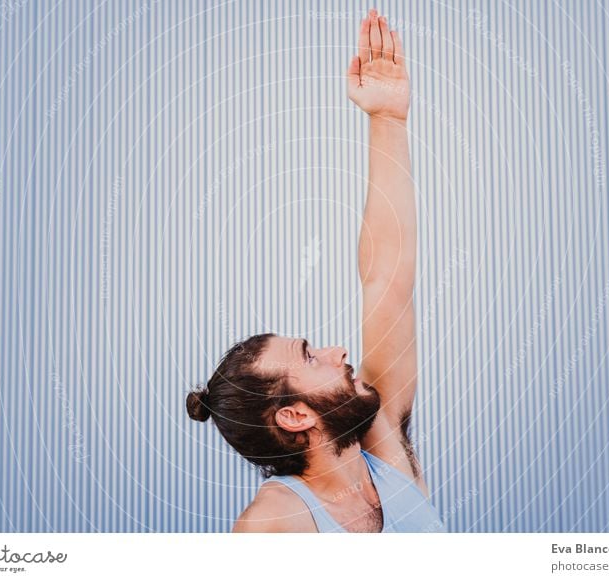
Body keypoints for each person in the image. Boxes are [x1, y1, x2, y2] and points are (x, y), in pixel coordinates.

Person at [186, 8, 444, 533]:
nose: (339, 351)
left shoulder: (383, 444)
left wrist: (387, 121)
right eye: (310, 355)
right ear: (295, 416)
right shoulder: (272, 526)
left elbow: (387, 279)